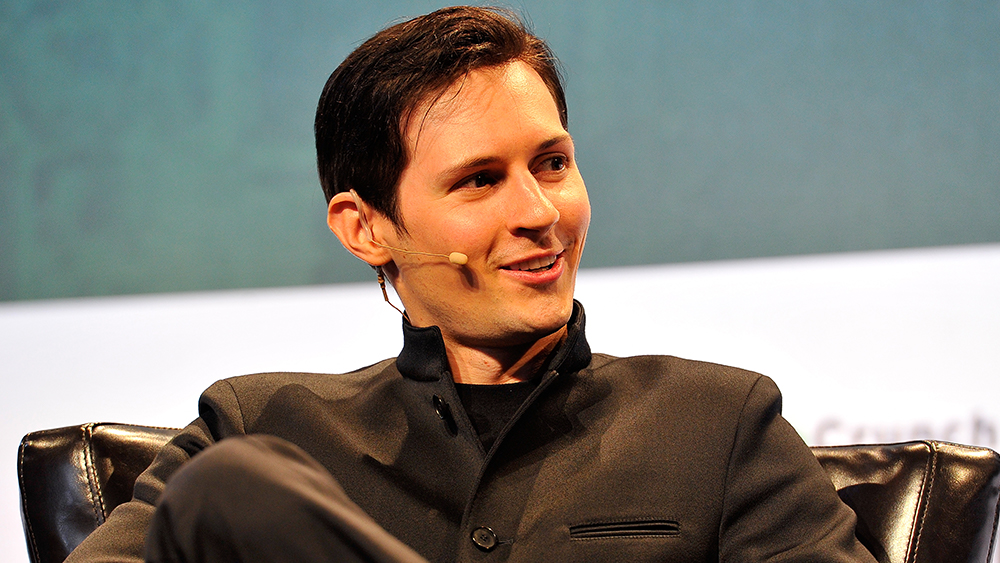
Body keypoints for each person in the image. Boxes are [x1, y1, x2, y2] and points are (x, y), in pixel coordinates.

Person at [67, 6, 877, 563]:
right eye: (480, 180)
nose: (540, 213)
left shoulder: (718, 424)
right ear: (365, 227)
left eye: (552, 164)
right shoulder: (261, 428)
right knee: (230, 490)